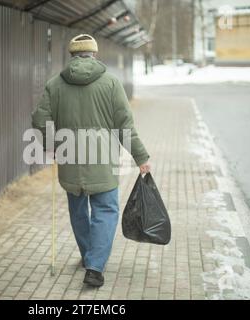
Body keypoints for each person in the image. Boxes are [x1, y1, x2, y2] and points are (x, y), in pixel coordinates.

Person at [32, 34, 150, 287]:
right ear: (94, 54)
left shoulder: (55, 84)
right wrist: (140, 157)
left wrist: (51, 145)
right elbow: (124, 126)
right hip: (103, 163)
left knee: (78, 211)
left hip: (70, 160)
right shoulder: (110, 83)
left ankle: (88, 256)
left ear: (72, 55)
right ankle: (95, 266)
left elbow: (39, 120)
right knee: (105, 210)